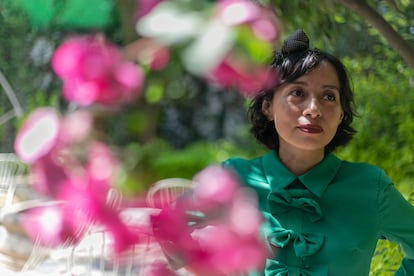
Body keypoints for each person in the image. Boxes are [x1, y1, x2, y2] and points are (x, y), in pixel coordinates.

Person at [222, 29, 414, 275]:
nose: (313, 109)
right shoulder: (234, 179)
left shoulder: (370, 187)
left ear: (341, 114)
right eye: (298, 93)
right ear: (267, 106)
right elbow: (172, 238)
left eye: (328, 96)